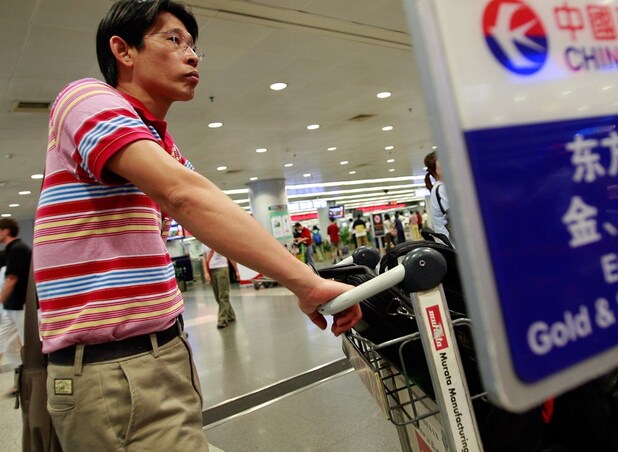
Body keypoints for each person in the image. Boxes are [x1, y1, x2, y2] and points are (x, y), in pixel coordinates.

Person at [32, 1, 360, 449]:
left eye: (193, 47)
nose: (191, 55)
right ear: (123, 51)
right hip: (113, 371)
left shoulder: (163, 147)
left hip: (165, 353)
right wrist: (306, 282)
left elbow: (208, 204)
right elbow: (183, 196)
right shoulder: (86, 97)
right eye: (173, 39)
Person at [0, 218, 29, 395]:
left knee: (29, 344)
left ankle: (30, 381)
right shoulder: (11, 250)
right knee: (7, 343)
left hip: (22, 305)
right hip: (12, 307)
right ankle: (21, 377)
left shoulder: (19, 249)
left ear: (5, 231)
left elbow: (12, 279)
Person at [202, 244, 239, 329]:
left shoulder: (217, 239)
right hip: (211, 270)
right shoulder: (204, 242)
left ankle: (222, 320)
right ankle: (230, 315)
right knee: (217, 297)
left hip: (222, 269)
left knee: (223, 296)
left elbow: (230, 256)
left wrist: (236, 271)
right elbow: (204, 258)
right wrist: (206, 272)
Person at [425, 151, 452, 243]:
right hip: (452, 243)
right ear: (434, 169)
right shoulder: (441, 188)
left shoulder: (439, 187)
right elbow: (452, 216)